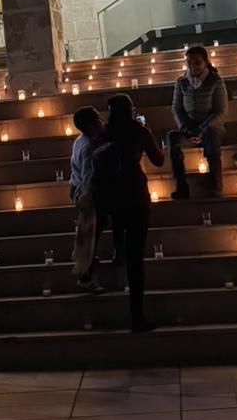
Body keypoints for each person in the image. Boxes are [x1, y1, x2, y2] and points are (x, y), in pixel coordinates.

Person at [93, 93, 164, 334]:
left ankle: (117, 249)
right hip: (135, 194)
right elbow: (159, 160)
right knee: (137, 258)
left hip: (112, 196)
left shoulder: (104, 133)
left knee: (120, 224)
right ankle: (137, 316)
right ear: (131, 109)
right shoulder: (139, 130)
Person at [168, 44, 228, 198]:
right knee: (172, 138)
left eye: (196, 62)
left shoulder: (215, 81)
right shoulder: (182, 83)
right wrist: (186, 128)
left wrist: (202, 128)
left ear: (205, 62)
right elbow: (177, 108)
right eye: (189, 63)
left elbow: (221, 111)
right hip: (189, 129)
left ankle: (216, 184)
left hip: (211, 128)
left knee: (211, 134)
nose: (192, 66)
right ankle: (181, 185)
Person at [69, 105, 106, 294]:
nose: (102, 122)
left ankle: (88, 273)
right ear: (91, 125)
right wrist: (87, 196)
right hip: (86, 195)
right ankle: (86, 277)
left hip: (78, 189)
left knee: (88, 236)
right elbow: (87, 175)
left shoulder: (79, 141)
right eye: (98, 120)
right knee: (89, 238)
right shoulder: (88, 146)